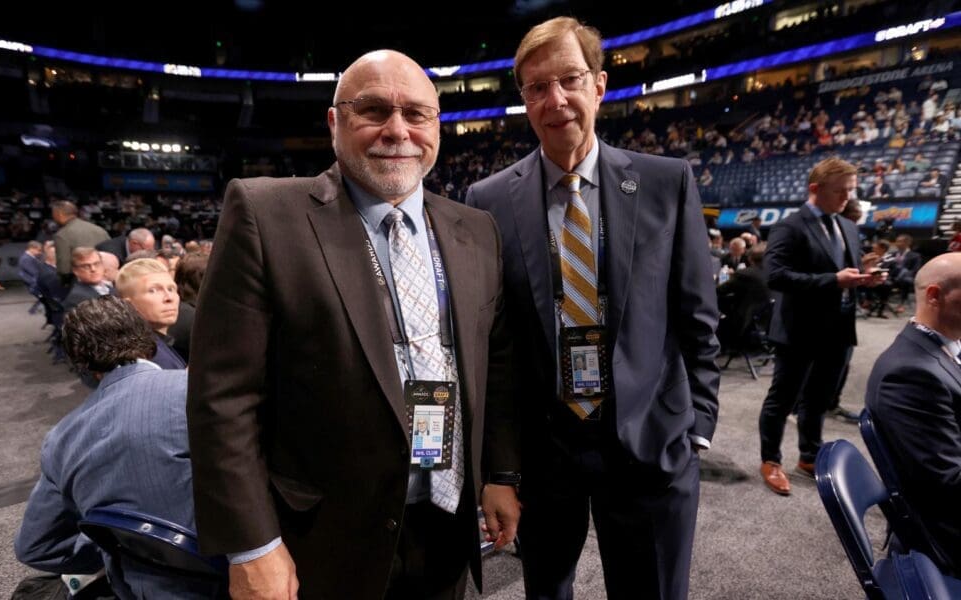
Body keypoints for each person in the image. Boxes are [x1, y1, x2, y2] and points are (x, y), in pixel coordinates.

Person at [187, 49, 519, 600]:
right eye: (373, 110)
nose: (397, 130)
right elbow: (222, 398)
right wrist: (251, 545)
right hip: (324, 534)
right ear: (334, 121)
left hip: (447, 519)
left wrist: (501, 474)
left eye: (416, 114)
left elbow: (496, 362)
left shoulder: (476, 228)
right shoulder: (265, 213)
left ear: (437, 126)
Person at [465, 17, 719, 600]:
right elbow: (494, 347)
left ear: (599, 85)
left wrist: (698, 425)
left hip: (652, 446)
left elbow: (697, 316)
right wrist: (498, 467)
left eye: (569, 79)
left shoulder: (666, 182)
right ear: (524, 99)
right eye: (536, 87)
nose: (555, 100)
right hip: (544, 456)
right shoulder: (487, 201)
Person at [14, 296, 213, 599]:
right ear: (149, 342)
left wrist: (122, 543)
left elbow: (36, 547)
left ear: (79, 364)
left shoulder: (61, 439)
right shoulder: (201, 393)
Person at [758, 157, 882, 496]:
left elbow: (845, 274)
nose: (847, 198)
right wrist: (833, 280)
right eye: (840, 191)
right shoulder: (790, 226)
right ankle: (771, 459)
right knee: (782, 400)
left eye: (851, 191)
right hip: (799, 330)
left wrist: (863, 280)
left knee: (818, 399)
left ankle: (809, 456)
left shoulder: (849, 227)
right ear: (815, 189)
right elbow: (776, 276)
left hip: (839, 330)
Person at [865, 253, 961, 572]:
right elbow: (949, 484)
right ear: (935, 295)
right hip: (946, 535)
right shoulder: (910, 374)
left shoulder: (940, 349)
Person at [116, 258, 185, 369]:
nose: (169, 297)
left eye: (171, 289)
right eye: (153, 290)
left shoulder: (153, 344)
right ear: (129, 304)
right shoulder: (145, 358)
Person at [51, 200, 109, 283]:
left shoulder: (62, 235)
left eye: (53, 214)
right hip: (105, 280)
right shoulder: (99, 230)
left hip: (80, 283)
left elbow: (64, 269)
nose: (53, 217)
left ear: (59, 214)